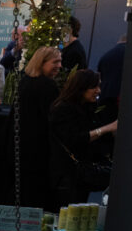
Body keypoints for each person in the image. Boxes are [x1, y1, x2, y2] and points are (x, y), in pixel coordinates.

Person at [49, 70, 118, 207]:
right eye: (94, 87)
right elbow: (74, 139)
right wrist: (107, 129)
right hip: (66, 174)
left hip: (79, 173)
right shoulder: (63, 109)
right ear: (81, 88)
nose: (98, 91)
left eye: (99, 86)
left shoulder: (88, 108)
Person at [18, 46, 63, 209]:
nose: (59, 66)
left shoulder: (25, 81)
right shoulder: (48, 86)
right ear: (42, 63)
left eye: (60, 62)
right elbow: (52, 118)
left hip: (23, 143)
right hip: (39, 145)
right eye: (55, 62)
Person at [98, 34, 126, 123]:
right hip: (121, 102)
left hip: (104, 99)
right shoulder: (128, 54)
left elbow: (99, 78)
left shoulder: (105, 56)